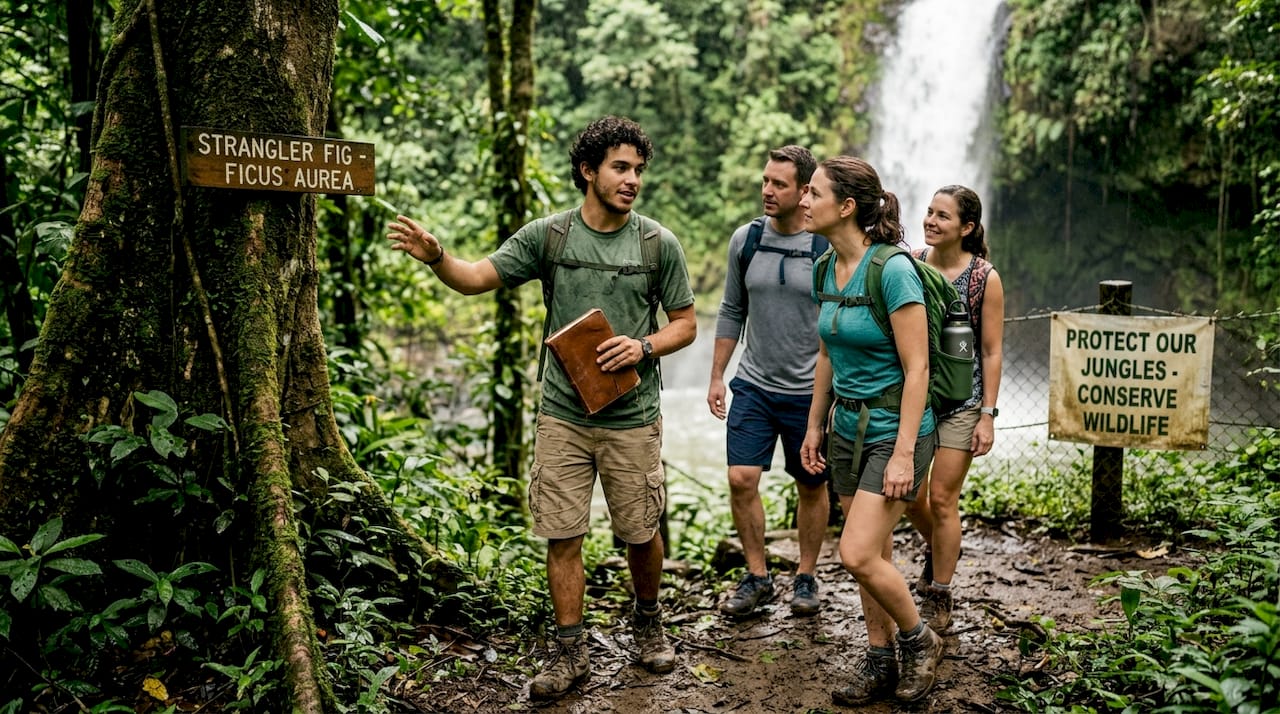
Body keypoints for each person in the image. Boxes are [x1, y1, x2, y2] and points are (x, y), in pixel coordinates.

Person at [386, 116, 696, 701]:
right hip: (563, 415)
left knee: (640, 530)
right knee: (563, 533)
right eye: (620, 168)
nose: (631, 180)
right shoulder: (549, 237)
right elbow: (476, 277)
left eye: (638, 170)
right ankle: (569, 652)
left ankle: (648, 623)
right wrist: (436, 256)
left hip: (632, 419)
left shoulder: (658, 244)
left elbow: (685, 324)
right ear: (588, 171)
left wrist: (644, 344)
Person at [798, 156, 945, 705]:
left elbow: (919, 369)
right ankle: (880, 657)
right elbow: (827, 355)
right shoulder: (824, 268)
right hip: (845, 426)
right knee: (874, 548)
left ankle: (919, 640)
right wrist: (815, 426)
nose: (803, 201)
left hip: (895, 427)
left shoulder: (893, 269)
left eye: (812, 192)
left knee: (856, 553)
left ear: (846, 206)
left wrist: (906, 453)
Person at [708, 145, 831, 619]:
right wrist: (718, 375)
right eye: (765, 181)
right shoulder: (747, 239)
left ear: (805, 192)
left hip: (808, 391)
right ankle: (758, 577)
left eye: (779, 184)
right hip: (754, 383)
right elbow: (731, 309)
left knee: (811, 485)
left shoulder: (824, 245)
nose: (767, 190)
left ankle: (806, 576)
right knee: (742, 479)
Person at [905, 185, 1004, 632]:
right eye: (928, 212)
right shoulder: (911, 264)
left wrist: (988, 414)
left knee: (943, 499)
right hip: (918, 397)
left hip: (964, 403)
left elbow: (992, 351)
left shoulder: (985, 278)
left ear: (966, 227)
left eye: (942, 216)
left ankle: (939, 593)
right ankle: (945, 546)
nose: (930, 221)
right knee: (909, 497)